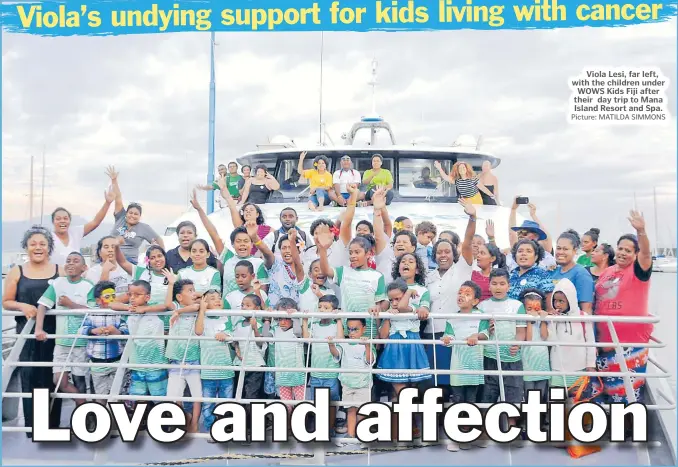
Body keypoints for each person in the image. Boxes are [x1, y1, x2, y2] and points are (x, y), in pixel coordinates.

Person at [593, 210, 652, 404]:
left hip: (629, 346)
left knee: (626, 397)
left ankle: (627, 432)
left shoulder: (638, 272)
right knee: (605, 394)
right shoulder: (607, 272)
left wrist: (641, 231)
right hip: (603, 345)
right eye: (620, 248)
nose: (623, 253)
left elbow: (646, 253)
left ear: (635, 255)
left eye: (628, 250)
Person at [422, 201, 477, 392]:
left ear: (454, 253)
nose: (443, 255)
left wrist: (472, 218)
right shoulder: (429, 276)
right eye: (439, 252)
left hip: (454, 333)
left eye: (447, 251)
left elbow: (469, 242)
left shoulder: (462, 269)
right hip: (431, 333)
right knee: (433, 385)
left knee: (455, 384)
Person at [35, 252, 94, 413]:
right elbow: (42, 305)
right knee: (59, 380)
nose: (71, 264)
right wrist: (38, 328)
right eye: (68, 261)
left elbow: (93, 311)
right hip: (61, 342)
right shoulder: (57, 283)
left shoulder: (88, 286)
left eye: (75, 261)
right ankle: (83, 403)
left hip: (80, 342)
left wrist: (70, 304)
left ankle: (81, 416)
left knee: (79, 379)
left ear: (83, 267)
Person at [441, 281, 489, 451]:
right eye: (460, 292)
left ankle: (469, 435)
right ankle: (455, 435)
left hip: (475, 367)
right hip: (457, 367)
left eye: (467, 293)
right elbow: (448, 337)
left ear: (475, 301)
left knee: (471, 401)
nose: (461, 295)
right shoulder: (452, 318)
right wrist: (446, 339)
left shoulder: (481, 316)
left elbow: (485, 334)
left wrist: (476, 335)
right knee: (458, 401)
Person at [478, 268, 526, 433]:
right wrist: (486, 330)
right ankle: (486, 429)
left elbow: (521, 331)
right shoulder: (482, 306)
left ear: (509, 286)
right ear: (489, 286)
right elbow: (480, 331)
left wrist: (517, 344)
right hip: (489, 356)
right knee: (488, 394)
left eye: (502, 284)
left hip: (511, 359)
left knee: (513, 394)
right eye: (494, 284)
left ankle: (512, 429)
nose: (498, 287)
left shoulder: (517, 306)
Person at [80, 280, 129, 406]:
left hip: (116, 361)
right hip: (98, 363)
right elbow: (82, 330)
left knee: (117, 396)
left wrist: (116, 332)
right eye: (107, 297)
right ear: (98, 300)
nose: (111, 300)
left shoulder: (119, 314)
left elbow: (126, 331)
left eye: (113, 296)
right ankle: (102, 419)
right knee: (100, 395)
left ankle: (115, 421)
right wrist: (93, 331)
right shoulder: (91, 314)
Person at [327, 318, 375, 447]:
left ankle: (362, 435)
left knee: (362, 411)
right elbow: (337, 355)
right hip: (347, 383)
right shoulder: (344, 343)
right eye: (350, 329)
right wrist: (331, 345)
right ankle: (351, 434)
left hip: (363, 384)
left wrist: (367, 345)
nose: (352, 332)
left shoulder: (368, 344)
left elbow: (370, 361)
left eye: (356, 329)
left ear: (364, 329)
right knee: (350, 410)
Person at [194, 289, 235, 435]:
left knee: (226, 402)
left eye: (219, 298)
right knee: (208, 404)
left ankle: (225, 428)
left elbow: (232, 335)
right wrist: (202, 310)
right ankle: (211, 428)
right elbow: (198, 332)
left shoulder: (226, 316)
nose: (217, 300)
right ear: (204, 302)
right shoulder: (201, 318)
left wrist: (225, 334)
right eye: (212, 298)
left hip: (226, 370)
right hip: (208, 371)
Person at [165, 279, 202, 433]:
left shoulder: (195, 310)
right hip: (176, 360)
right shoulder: (175, 306)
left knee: (197, 395)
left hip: (193, 360)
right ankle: (181, 421)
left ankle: (194, 424)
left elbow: (198, 305)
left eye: (194, 290)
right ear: (179, 297)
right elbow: (168, 303)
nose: (194, 293)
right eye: (190, 291)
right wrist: (171, 284)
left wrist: (178, 313)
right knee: (174, 395)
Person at [547, 279, 596, 393]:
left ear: (571, 300)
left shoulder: (583, 317)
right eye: (555, 300)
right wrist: (553, 320)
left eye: (561, 301)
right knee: (556, 403)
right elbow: (550, 339)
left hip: (579, 368)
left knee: (577, 403)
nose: (557, 304)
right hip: (557, 368)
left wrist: (591, 364)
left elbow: (590, 343)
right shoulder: (554, 319)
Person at [302, 295, 342, 435]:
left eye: (326, 308)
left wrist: (338, 319)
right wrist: (305, 320)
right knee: (317, 402)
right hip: (316, 372)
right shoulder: (314, 324)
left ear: (334, 310)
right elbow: (307, 339)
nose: (321, 310)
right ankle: (320, 430)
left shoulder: (334, 325)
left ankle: (330, 429)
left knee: (331, 403)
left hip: (331, 372)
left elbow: (341, 339)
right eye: (320, 307)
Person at [107, 167, 164, 264]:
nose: (132, 216)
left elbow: (159, 239)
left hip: (129, 260)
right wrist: (114, 180)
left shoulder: (144, 228)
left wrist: (162, 254)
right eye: (130, 213)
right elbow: (118, 197)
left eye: (136, 214)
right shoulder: (120, 218)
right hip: (111, 257)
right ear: (126, 214)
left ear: (140, 216)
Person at [51, 185, 115, 266]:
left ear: (69, 221)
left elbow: (95, 222)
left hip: (75, 276)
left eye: (65, 218)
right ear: (53, 221)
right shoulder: (49, 238)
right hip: (56, 276)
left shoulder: (75, 232)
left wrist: (107, 203)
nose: (62, 221)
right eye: (58, 219)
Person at [518, 289, 551, 412]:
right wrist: (529, 321)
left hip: (542, 362)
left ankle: (539, 421)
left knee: (541, 394)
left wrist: (542, 320)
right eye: (529, 308)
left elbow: (544, 336)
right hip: (528, 363)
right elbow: (529, 339)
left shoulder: (542, 320)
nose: (533, 311)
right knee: (529, 394)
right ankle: (528, 421)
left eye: (536, 308)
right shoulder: (523, 321)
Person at [271, 298, 306, 410]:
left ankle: (299, 425)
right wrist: (267, 318)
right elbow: (265, 335)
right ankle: (288, 426)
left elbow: (297, 331)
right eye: (280, 318)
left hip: (297, 375)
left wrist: (295, 316)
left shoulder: (296, 330)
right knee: (286, 406)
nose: (283, 322)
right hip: (282, 375)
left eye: (287, 318)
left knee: (300, 404)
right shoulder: (276, 330)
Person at [551, 230, 595, 315]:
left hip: (573, 325)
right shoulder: (552, 271)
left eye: (565, 249)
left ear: (575, 251)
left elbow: (586, 310)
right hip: (553, 325)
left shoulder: (581, 274)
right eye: (558, 248)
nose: (560, 252)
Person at [506, 201, 555, 271]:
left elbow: (547, 238)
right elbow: (512, 233)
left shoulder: (545, 254)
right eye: (519, 233)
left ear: (536, 235)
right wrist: (513, 210)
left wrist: (533, 215)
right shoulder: (517, 252)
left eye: (524, 233)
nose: (521, 236)